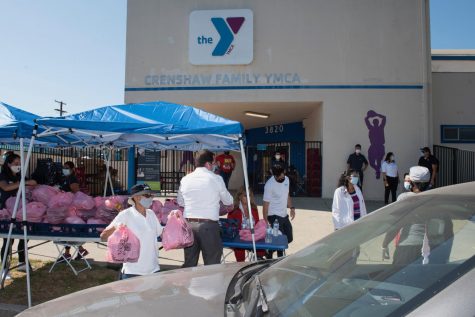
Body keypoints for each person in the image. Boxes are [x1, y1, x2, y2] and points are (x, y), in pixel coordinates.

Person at [382, 166, 453, 264]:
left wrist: (384, 244)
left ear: (411, 183)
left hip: (409, 248)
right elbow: (448, 228)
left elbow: (395, 225)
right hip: (434, 248)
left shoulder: (405, 198)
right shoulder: (438, 199)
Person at [177, 149, 233, 267]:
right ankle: (210, 286)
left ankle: (188, 285)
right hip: (209, 226)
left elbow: (180, 202)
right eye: (213, 163)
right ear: (208, 164)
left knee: (189, 264)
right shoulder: (216, 179)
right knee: (211, 265)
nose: (215, 166)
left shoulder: (185, 179)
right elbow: (228, 201)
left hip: (189, 225)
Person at [100, 184, 163, 279]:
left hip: (153, 269)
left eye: (151, 195)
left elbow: (161, 233)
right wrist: (116, 228)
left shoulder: (151, 214)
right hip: (133, 272)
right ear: (137, 198)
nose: (150, 198)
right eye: (147, 195)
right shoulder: (126, 215)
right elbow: (103, 236)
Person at [0, 153, 37, 275]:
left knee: (24, 237)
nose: (18, 166)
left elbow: (30, 183)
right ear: (8, 163)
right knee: (8, 240)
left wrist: (31, 183)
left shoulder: (20, 176)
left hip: (21, 212)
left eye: (20, 164)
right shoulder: (3, 175)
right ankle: (5, 269)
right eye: (16, 164)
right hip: (6, 211)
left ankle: (22, 262)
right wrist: (23, 183)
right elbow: (5, 188)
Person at [263, 164, 295, 259]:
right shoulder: (269, 185)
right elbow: (265, 205)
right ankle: (278, 259)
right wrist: (265, 221)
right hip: (273, 216)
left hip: (283, 214)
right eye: (279, 176)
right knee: (280, 240)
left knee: (289, 238)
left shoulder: (287, 180)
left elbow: (287, 195)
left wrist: (292, 207)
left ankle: (269, 250)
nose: (282, 177)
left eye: (282, 175)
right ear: (274, 176)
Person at [58, 161, 88, 260]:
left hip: (70, 208)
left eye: (66, 167)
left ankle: (69, 253)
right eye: (63, 167)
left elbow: (75, 192)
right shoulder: (66, 178)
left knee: (69, 229)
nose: (64, 169)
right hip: (66, 206)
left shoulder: (72, 179)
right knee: (69, 230)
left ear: (72, 169)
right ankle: (79, 249)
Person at [227, 187, 266, 261]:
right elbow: (229, 226)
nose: (248, 197)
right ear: (239, 197)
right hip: (238, 238)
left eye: (250, 195)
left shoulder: (254, 208)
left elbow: (257, 225)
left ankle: (258, 259)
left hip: (253, 237)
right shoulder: (233, 209)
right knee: (240, 250)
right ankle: (241, 266)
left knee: (261, 244)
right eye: (245, 195)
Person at [365, 111, 386, 179]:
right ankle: (377, 169)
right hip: (373, 146)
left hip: (379, 146)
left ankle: (378, 172)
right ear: (374, 123)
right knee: (371, 162)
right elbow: (366, 120)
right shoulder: (372, 128)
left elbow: (384, 118)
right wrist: (374, 115)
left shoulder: (380, 128)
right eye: (375, 122)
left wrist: (376, 114)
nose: (376, 123)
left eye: (376, 122)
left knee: (379, 160)